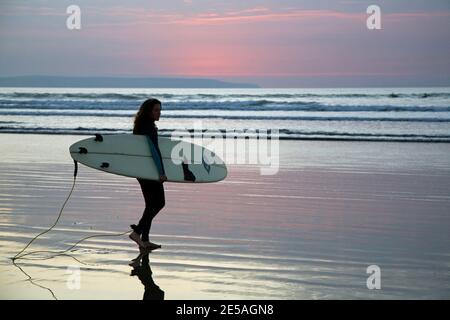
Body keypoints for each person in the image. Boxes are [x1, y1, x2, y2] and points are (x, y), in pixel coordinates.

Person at [129, 99, 167, 250]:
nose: (159, 113)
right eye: (156, 110)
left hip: (142, 170)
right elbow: (153, 150)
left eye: (160, 110)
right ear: (149, 111)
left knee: (151, 204)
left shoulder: (140, 126)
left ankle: (144, 239)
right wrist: (161, 172)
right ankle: (137, 232)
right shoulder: (149, 127)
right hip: (150, 171)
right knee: (159, 203)